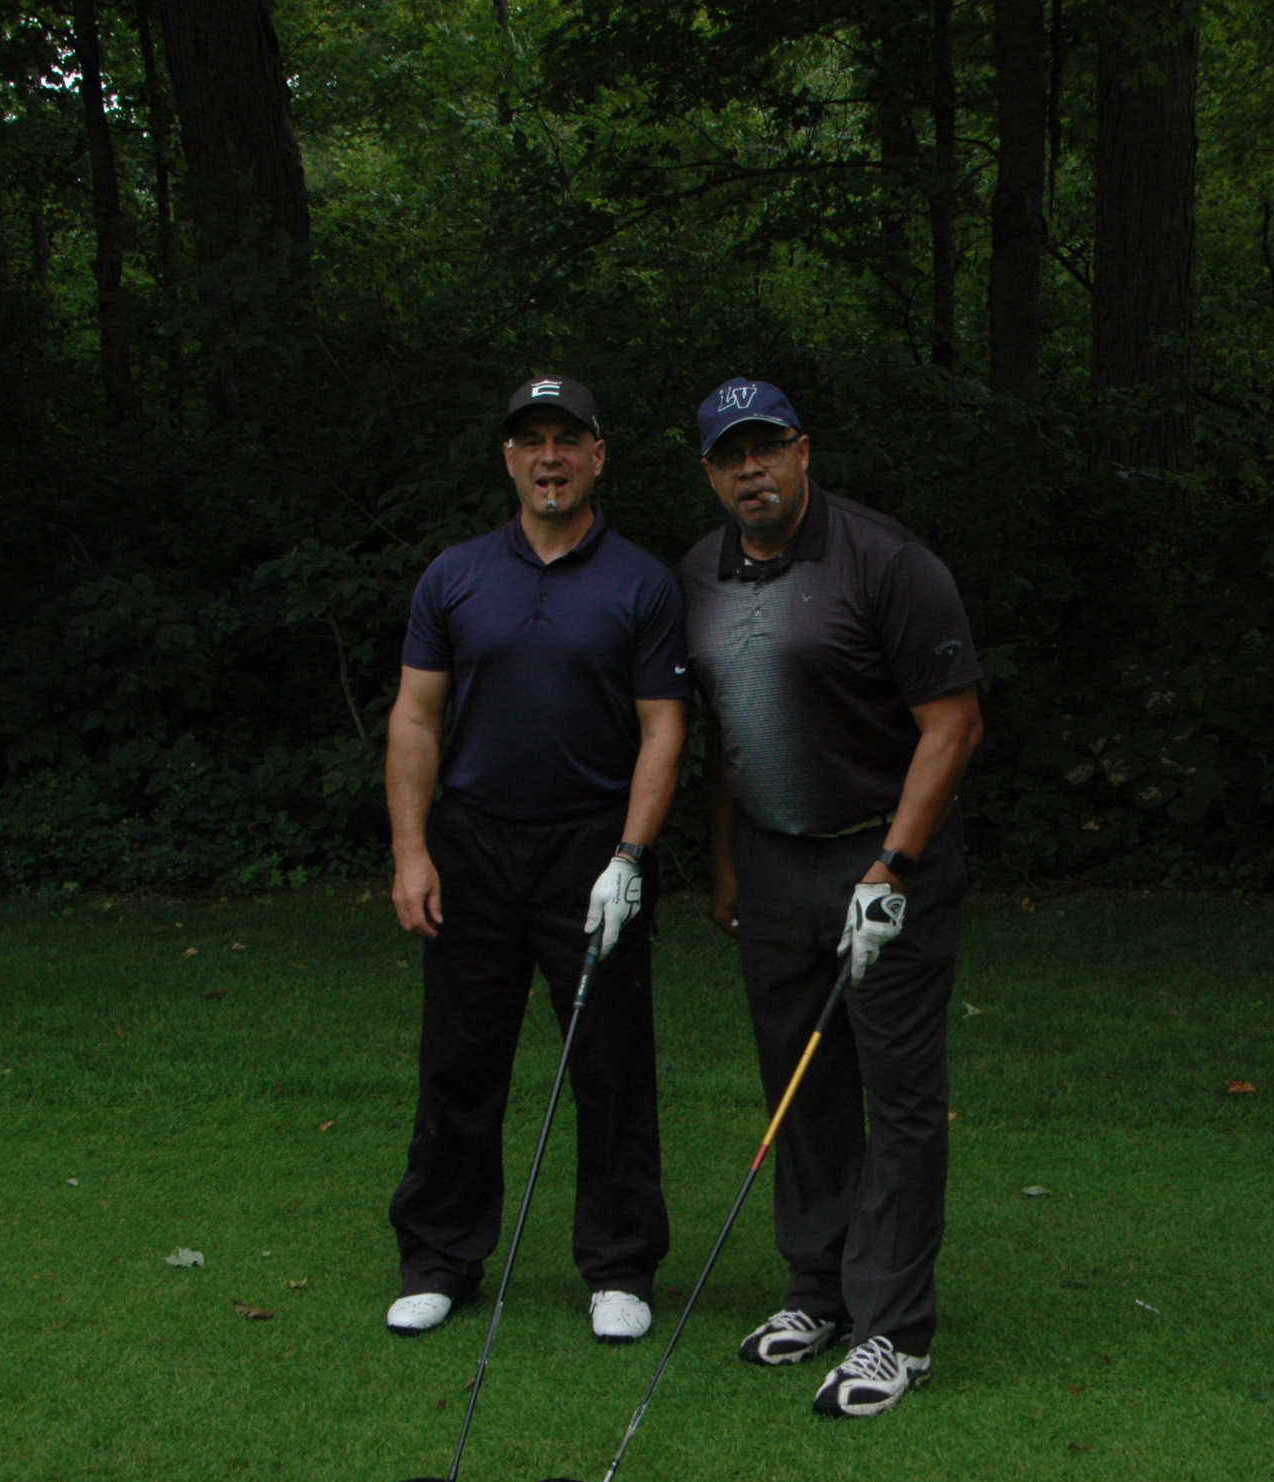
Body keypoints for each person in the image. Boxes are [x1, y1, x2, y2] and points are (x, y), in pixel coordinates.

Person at [677, 377, 984, 1418]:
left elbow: (953, 724)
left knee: (898, 1096)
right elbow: (727, 730)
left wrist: (892, 868)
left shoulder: (885, 560)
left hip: (882, 856)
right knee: (799, 1085)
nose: (751, 469)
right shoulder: (698, 574)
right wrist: (725, 864)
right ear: (709, 471)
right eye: (730, 455)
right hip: (771, 862)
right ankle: (819, 1290)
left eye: (767, 447)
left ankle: (893, 1328)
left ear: (802, 451)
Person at [383, 374, 687, 1346]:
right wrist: (411, 851)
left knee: (609, 1062)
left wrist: (631, 855)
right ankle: (440, 1259)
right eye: (531, 441)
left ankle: (619, 1265)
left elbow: (663, 729)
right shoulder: (455, 576)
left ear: (598, 455)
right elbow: (415, 717)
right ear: (508, 459)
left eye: (567, 440)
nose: (549, 457)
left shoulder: (642, 582)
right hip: (473, 844)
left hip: (592, 847)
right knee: (460, 1058)